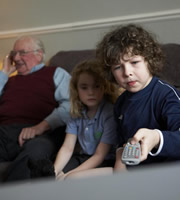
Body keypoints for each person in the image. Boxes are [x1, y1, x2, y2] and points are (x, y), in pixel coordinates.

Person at [64, 24, 180, 180]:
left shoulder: (167, 95)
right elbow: (121, 140)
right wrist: (120, 161)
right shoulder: (120, 103)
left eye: (134, 62)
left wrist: (157, 138)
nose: (127, 73)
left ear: (149, 60)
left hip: (163, 173)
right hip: (131, 171)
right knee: (70, 180)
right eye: (118, 67)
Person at [0, 35, 71, 182]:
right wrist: (4, 73)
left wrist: (41, 126)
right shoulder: (8, 80)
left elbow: (70, 105)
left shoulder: (56, 73)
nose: (16, 58)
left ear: (39, 54)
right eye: (14, 54)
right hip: (4, 132)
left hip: (41, 133)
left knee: (36, 153)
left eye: (22, 53)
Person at [54, 59, 120, 180]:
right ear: (76, 90)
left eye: (96, 86)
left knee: (69, 178)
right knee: (54, 176)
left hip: (104, 161)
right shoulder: (76, 113)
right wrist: (54, 172)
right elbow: (67, 148)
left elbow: (100, 155)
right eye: (84, 87)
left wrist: (68, 175)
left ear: (104, 87)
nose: (91, 92)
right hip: (82, 157)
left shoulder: (109, 113)